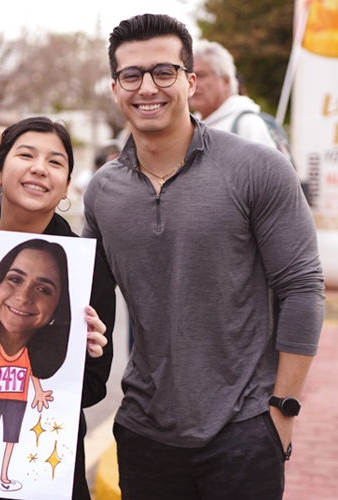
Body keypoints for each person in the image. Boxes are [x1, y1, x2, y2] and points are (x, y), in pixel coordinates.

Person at [82, 14, 324, 500]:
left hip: (245, 429)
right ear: (115, 88)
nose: (147, 86)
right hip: (143, 432)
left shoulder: (258, 169)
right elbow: (87, 295)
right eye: (132, 74)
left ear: (191, 81)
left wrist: (282, 412)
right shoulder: (101, 191)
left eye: (164, 72)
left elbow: (302, 287)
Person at [0, 116, 116, 500]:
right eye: (26, 154)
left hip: (44, 466)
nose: (39, 168)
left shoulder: (87, 267)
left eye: (55, 161)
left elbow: (97, 381)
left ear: (66, 185)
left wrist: (74, 361)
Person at [0, 239, 72, 493]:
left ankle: (3, 476)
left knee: (10, 439)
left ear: (58, 308)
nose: (23, 297)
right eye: (15, 279)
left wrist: (86, 352)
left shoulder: (36, 356)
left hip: (17, 406)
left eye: (43, 289)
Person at [189, 40, 278, 148]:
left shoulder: (247, 123)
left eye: (201, 75)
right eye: (189, 76)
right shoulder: (190, 128)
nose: (192, 83)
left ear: (226, 81)